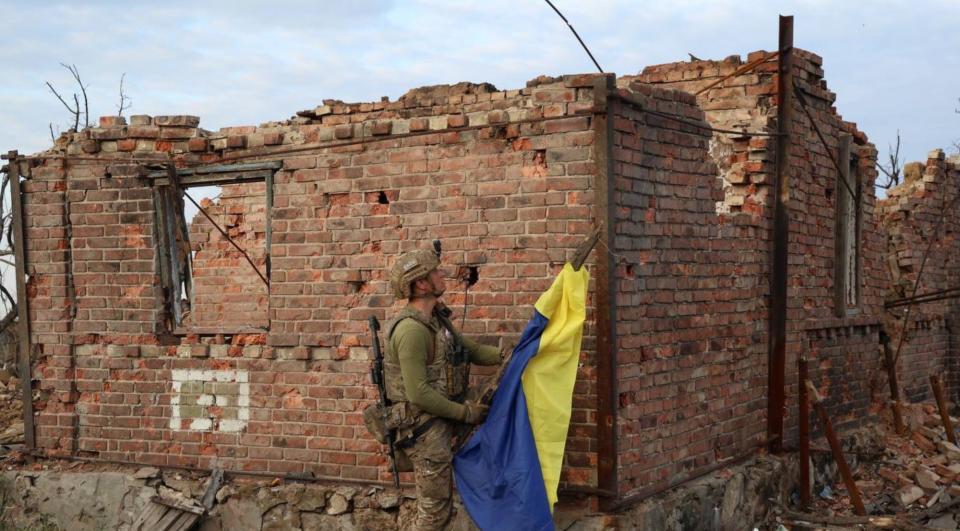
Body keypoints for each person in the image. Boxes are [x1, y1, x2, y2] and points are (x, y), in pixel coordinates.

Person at [383, 246, 502, 530]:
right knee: (434, 512)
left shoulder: (437, 318)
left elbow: (469, 349)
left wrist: (512, 355)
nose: (441, 274)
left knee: (440, 511)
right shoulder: (410, 331)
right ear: (421, 283)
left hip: (440, 422)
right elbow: (418, 393)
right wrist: (465, 413)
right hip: (424, 431)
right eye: (434, 271)